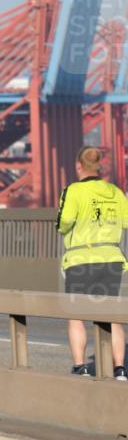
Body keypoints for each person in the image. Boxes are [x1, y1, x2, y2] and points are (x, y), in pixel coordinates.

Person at [57, 145, 128, 381]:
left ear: (79, 166)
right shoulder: (115, 191)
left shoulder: (73, 190)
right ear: (98, 166)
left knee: (76, 315)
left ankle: (81, 367)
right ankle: (120, 369)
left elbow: (64, 222)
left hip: (80, 259)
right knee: (112, 316)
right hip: (112, 259)